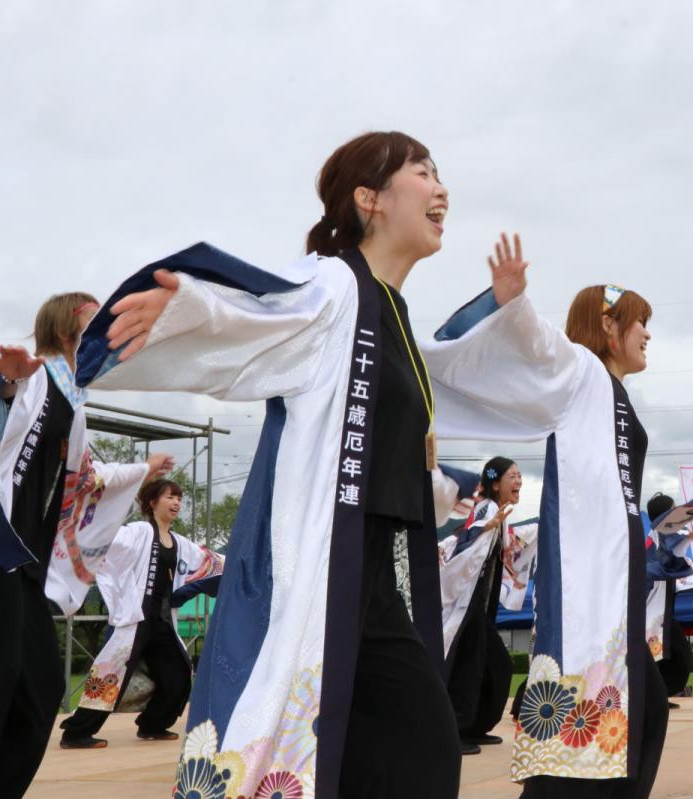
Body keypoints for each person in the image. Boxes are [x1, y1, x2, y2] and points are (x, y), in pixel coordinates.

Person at [74, 131, 485, 797]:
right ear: (370, 198)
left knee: (409, 753)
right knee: (402, 749)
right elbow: (257, 320)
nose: (442, 190)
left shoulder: (393, 312)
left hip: (376, 578)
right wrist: (186, 310)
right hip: (322, 573)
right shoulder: (334, 284)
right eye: (424, 172)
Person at [422, 243, 668, 798]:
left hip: (612, 576)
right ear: (609, 326)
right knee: (612, 708)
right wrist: (514, 304)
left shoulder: (610, 391)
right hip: (589, 577)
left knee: (635, 708)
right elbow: (539, 344)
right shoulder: (581, 371)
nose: (648, 333)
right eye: (640, 322)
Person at [0, 292, 172, 799]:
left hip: (27, 570)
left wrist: (143, 469)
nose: (106, 332)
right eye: (95, 321)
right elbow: (1, 431)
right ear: (65, 331)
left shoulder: (73, 400)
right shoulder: (39, 378)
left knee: (40, 689)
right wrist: (9, 384)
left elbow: (90, 480)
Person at [58, 478, 224, 748]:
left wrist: (239, 561)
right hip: (136, 618)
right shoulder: (138, 532)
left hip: (162, 620)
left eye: (179, 498)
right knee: (110, 676)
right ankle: (76, 733)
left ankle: (153, 725)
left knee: (179, 672)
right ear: (152, 502)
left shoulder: (181, 543)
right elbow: (105, 541)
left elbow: (210, 563)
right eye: (170, 497)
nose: (176, 502)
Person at [441, 456, 521, 754]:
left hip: (478, 604)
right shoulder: (487, 509)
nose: (519, 481)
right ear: (495, 484)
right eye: (512, 476)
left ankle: (475, 724)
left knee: (495, 664)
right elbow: (467, 537)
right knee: (468, 666)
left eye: (520, 475)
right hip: (467, 602)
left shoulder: (499, 514)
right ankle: (454, 730)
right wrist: (486, 527)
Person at [643, 493, 693, 703]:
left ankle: (658, 696)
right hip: (650, 610)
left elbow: (673, 562)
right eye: (673, 509)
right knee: (666, 653)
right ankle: (655, 697)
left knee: (673, 653)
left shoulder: (660, 536)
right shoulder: (654, 541)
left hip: (660, 609)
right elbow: (667, 567)